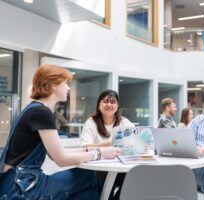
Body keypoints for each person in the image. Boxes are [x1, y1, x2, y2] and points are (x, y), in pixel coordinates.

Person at [0, 64, 121, 199]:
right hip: (22, 187)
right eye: (65, 83)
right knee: (88, 176)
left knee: (88, 192)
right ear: (53, 85)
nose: (68, 88)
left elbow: (55, 155)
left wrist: (92, 151)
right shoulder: (41, 112)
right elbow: (61, 160)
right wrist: (99, 153)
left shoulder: (34, 108)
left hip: (15, 183)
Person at [80, 89, 134, 200]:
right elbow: (85, 147)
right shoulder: (91, 122)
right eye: (105, 101)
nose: (109, 104)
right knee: (104, 183)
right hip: (99, 169)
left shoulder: (124, 122)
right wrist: (109, 143)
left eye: (113, 102)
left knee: (135, 177)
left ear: (118, 105)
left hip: (121, 166)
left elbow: (135, 141)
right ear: (99, 104)